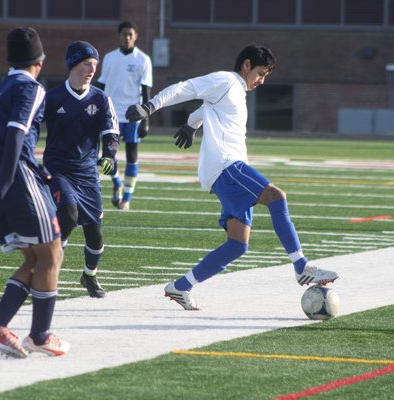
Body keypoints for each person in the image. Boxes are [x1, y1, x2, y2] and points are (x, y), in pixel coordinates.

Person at [126, 44, 339, 310]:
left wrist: (191, 125)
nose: (261, 81)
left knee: (238, 245)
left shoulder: (235, 91)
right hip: (227, 167)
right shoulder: (226, 80)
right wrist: (149, 107)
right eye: (260, 73)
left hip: (224, 170)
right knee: (276, 197)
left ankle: (180, 286)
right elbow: (184, 88)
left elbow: (207, 109)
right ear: (246, 65)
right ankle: (301, 266)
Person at [0, 27, 69, 357]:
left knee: (35, 258)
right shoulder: (32, 87)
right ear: (40, 62)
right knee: (53, 254)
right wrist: (7, 183)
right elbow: (16, 135)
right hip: (14, 179)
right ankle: (40, 335)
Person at [43, 41, 119, 299]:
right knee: (68, 213)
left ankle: (89, 276)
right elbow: (31, 126)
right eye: (87, 63)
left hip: (87, 173)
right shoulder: (52, 98)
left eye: (95, 65)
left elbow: (111, 133)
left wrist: (109, 155)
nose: (92, 69)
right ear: (73, 64)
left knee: (95, 235)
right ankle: (48, 269)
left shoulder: (101, 98)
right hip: (58, 170)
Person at [96, 20, 152, 210]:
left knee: (131, 155)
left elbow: (146, 92)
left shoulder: (143, 60)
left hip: (133, 116)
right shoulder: (110, 58)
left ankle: (126, 198)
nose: (127, 37)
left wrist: (146, 119)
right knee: (107, 155)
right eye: (124, 34)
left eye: (130, 34)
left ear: (135, 37)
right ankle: (117, 183)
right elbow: (101, 85)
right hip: (111, 114)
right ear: (119, 36)